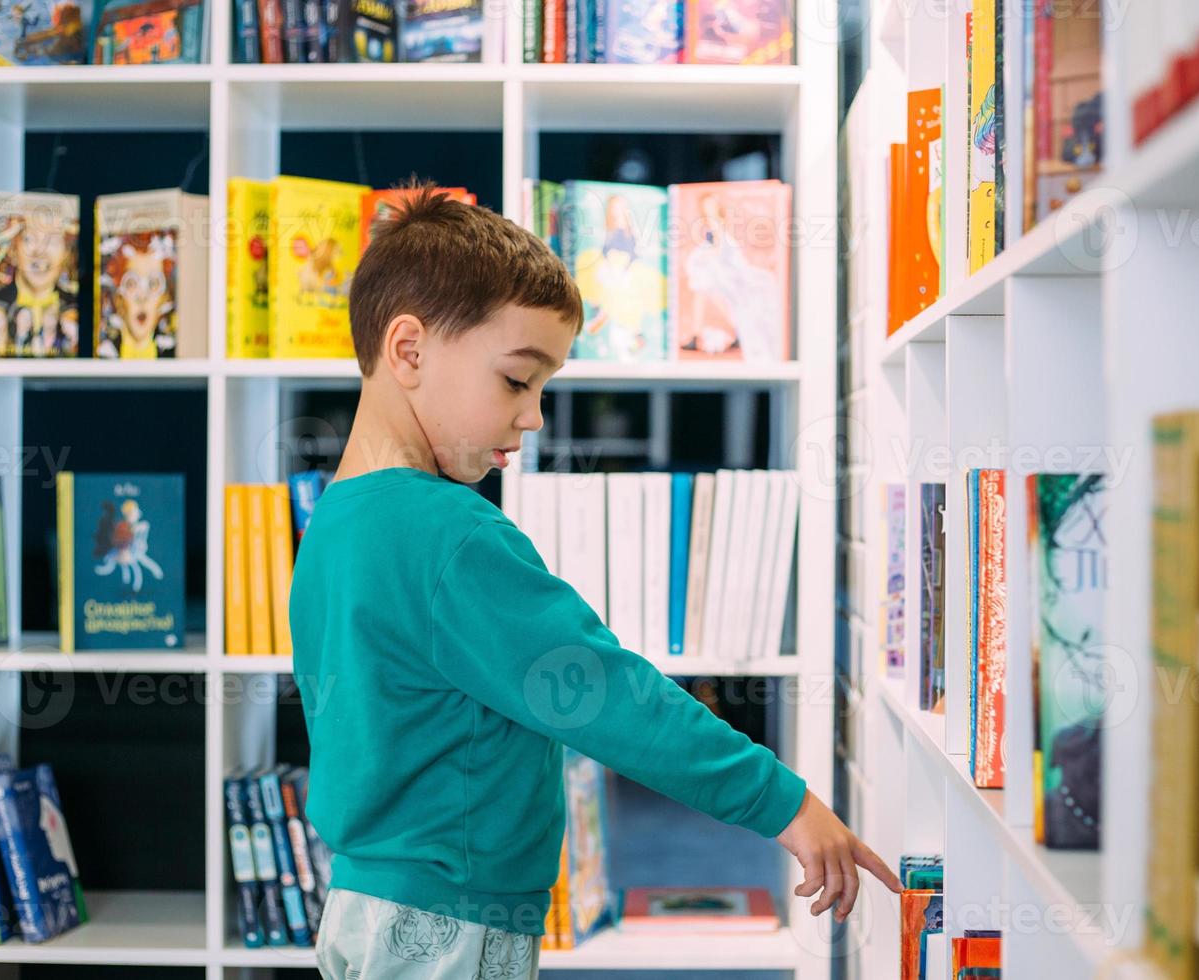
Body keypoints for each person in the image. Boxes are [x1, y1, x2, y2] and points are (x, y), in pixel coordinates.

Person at [291, 182, 899, 980]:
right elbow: (607, 695)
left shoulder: (335, 520)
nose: (534, 416)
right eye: (516, 380)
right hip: (447, 925)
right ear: (408, 350)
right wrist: (784, 803)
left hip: (365, 908)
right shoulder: (451, 534)